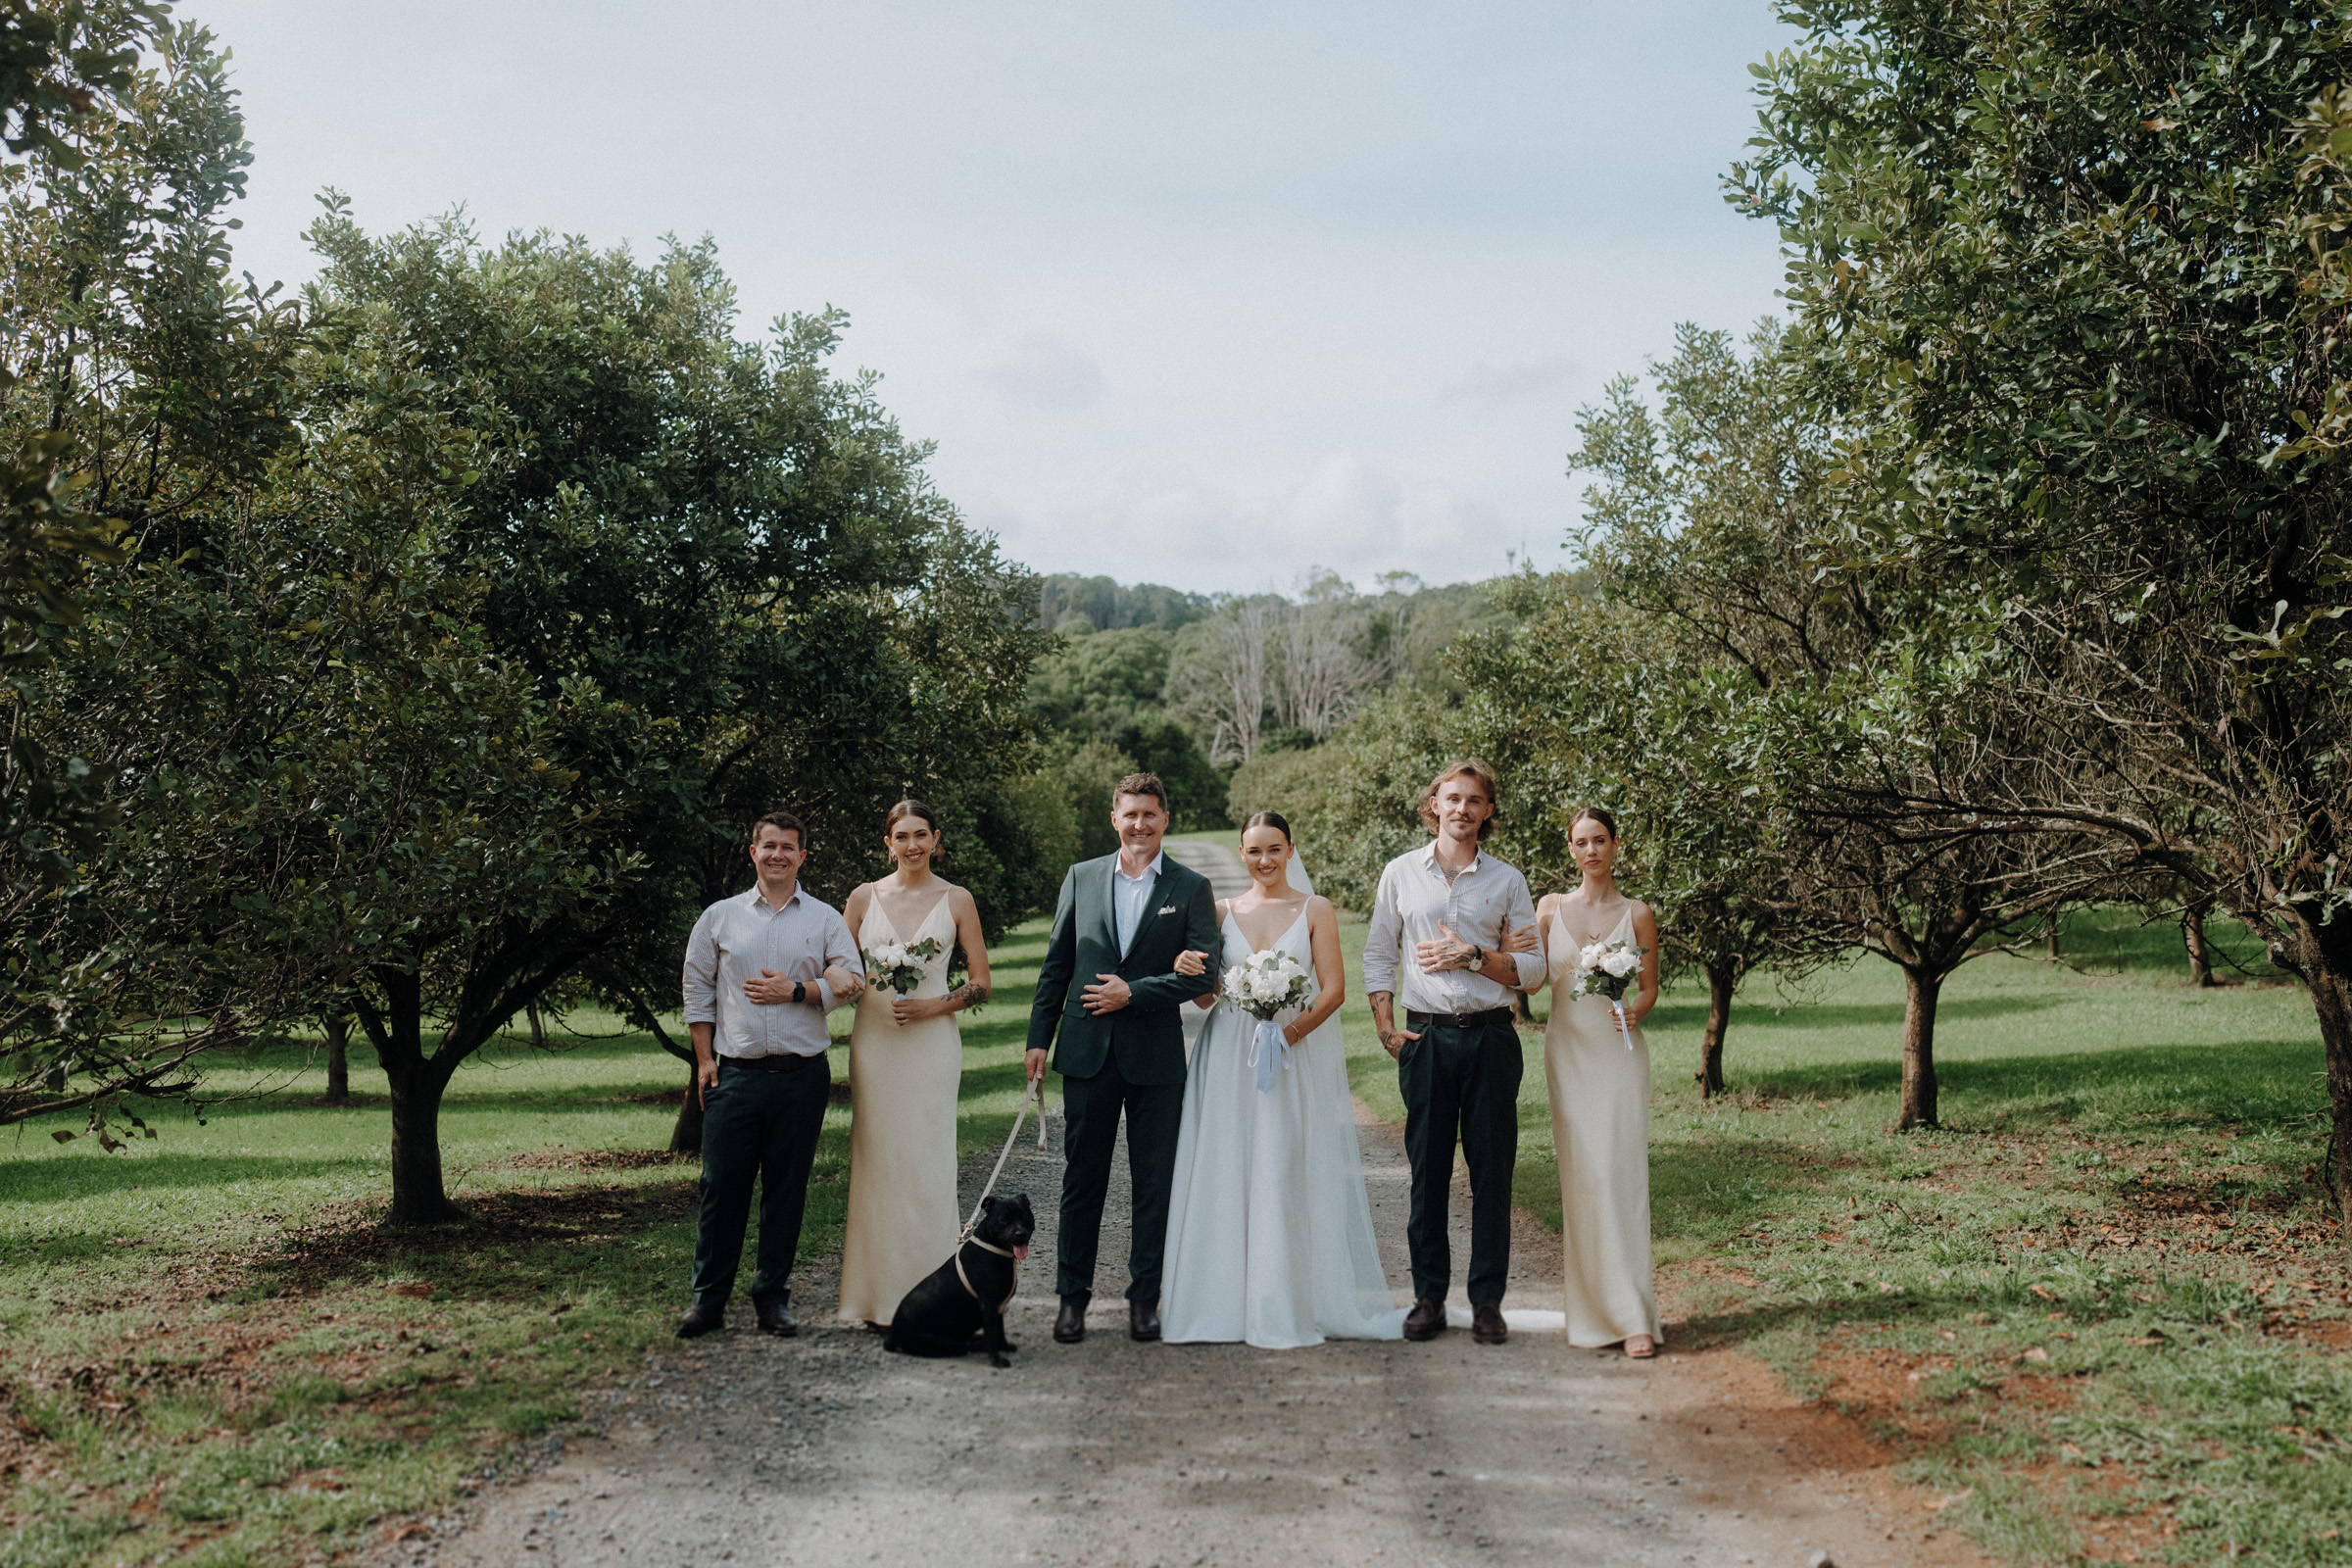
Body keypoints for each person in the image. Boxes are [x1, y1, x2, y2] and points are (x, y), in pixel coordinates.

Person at [1160, 811, 1405, 1348]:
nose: (1264, 860)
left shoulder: (1314, 909)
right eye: (1254, 851)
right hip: (1227, 1056)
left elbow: (1334, 990)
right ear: (1243, 854)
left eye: (1274, 849)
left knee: (1283, 1166)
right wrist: (1187, 970)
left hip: (1288, 1056)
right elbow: (1207, 997)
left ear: (1291, 849)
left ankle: (1284, 1300)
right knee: (1227, 1166)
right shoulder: (1220, 910)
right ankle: (1219, 1303)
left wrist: (1288, 1034)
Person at [1025, 772, 1222, 1345]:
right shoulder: (1081, 878)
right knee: (1082, 1181)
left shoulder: (1190, 887)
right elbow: (1057, 964)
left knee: (1153, 1183)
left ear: (1166, 819)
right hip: (1086, 1052)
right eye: (1129, 814)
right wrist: (1039, 1038)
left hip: (1156, 1058)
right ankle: (1072, 1300)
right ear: (1114, 818)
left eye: (1150, 814)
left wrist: (1132, 993)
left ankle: (1144, 1301)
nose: (1139, 824)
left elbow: (1204, 974)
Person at [1362, 759, 1544, 1346]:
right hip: (1426, 1038)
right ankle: (1428, 1298)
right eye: (1451, 798)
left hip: (1492, 1037)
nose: (1461, 808)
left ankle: (1488, 1302)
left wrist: (1474, 956)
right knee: (1428, 1176)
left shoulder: (1508, 882)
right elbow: (1376, 955)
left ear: (1487, 811)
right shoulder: (1399, 874)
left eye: (1473, 800)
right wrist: (1388, 1028)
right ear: (1433, 804)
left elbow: (1533, 973)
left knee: (1494, 1175)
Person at [675, 811, 864, 1340]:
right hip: (734, 1076)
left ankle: (771, 1299)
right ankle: (707, 1302)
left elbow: (854, 982)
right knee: (721, 1189)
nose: (778, 854)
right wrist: (705, 1059)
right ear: (752, 852)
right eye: (769, 845)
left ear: (803, 856)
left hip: (801, 1078)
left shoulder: (825, 919)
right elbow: (697, 991)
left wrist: (798, 991)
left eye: (789, 847)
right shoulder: (719, 918)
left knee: (786, 1191)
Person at [836, 801, 994, 1328]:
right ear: (887, 842)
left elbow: (981, 984)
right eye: (901, 836)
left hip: (931, 1047)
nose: (911, 845)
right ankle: (872, 1298)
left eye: (920, 835)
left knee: (928, 1163)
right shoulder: (863, 897)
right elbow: (835, 967)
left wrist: (934, 1005)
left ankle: (935, 1295)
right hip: (875, 1045)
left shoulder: (957, 899)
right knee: (878, 1163)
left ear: (935, 838)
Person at [1520, 805, 1663, 1357]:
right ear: (1571, 849)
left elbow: (1649, 987)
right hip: (1569, 1056)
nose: (1591, 851)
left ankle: (1634, 1317)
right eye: (1581, 842)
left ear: (1615, 844)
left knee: (1621, 1174)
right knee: (1585, 1177)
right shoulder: (1550, 910)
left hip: (1619, 1055)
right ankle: (1592, 1313)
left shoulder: (1638, 913)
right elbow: (1531, 981)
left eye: (1599, 840)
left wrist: (1637, 1011)